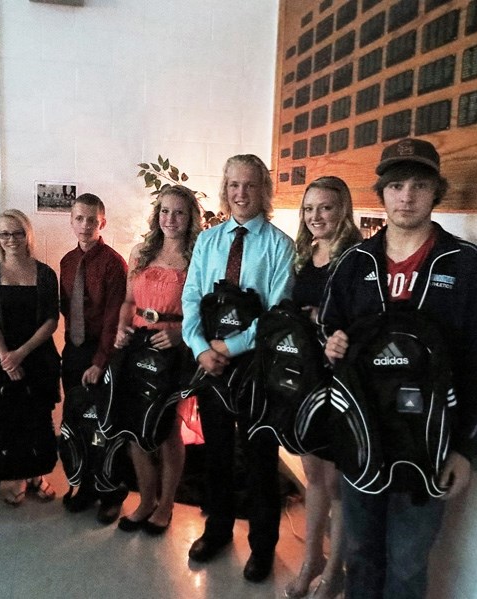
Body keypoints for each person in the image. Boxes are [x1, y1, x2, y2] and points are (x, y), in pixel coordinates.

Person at [321, 138, 477, 598]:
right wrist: (332, 341)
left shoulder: (465, 265)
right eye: (397, 185)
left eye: (419, 186)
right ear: (381, 193)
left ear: (435, 193)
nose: (406, 197)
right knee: (361, 554)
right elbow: (327, 327)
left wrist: (465, 448)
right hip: (363, 436)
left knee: (406, 564)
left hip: (429, 444)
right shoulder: (354, 262)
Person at [181, 154, 295, 582]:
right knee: (215, 457)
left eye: (249, 185)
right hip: (210, 366)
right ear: (225, 189)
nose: (241, 194)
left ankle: (262, 547)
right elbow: (192, 296)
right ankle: (217, 531)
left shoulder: (280, 246)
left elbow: (276, 313)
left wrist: (227, 345)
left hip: (256, 369)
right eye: (233, 186)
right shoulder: (209, 242)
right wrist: (198, 347)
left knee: (261, 460)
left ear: (263, 190)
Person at [285, 176, 362, 598]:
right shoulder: (305, 253)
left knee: (338, 483)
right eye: (309, 208)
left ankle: (335, 572)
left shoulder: (357, 257)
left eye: (326, 208)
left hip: (341, 376)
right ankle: (312, 557)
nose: (316, 216)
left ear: (343, 210)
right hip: (307, 374)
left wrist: (324, 322)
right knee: (313, 473)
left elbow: (363, 319)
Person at [113, 185, 202, 534]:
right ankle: (145, 500)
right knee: (136, 428)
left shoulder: (198, 255)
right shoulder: (141, 252)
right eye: (165, 211)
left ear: (190, 216)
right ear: (156, 214)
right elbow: (127, 302)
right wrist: (121, 329)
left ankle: (166, 505)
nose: (171, 219)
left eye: (179, 212)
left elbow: (206, 309)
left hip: (174, 346)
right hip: (137, 344)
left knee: (167, 432)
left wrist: (182, 335)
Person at [0, 209, 60, 506]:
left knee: (36, 420)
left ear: (28, 235)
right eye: (4, 234)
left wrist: (21, 354)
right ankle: (16, 477)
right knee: (7, 421)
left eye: (17, 233)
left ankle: (37, 474)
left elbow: (51, 320)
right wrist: (5, 357)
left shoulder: (46, 273)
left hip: (36, 358)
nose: (11, 239)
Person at [59, 193, 128, 524]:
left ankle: (111, 491)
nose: (85, 225)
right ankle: (84, 484)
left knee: (106, 425)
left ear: (102, 222)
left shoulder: (114, 264)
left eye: (92, 219)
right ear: (71, 221)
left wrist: (100, 361)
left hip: (103, 353)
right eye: (79, 218)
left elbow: (114, 319)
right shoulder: (67, 262)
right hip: (73, 350)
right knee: (77, 422)